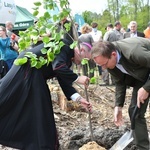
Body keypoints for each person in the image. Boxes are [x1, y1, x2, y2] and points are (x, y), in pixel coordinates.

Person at [0, 39, 92, 150]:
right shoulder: (64, 46)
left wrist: (78, 98)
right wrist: (77, 78)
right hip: (27, 70)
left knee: (39, 111)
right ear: (81, 50)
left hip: (35, 76)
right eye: (85, 59)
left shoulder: (67, 56)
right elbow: (58, 66)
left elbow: (62, 77)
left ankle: (42, 145)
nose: (83, 62)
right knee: (5, 97)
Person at [91, 37, 150, 150]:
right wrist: (118, 106)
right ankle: (143, 147)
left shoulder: (134, 52)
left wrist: (147, 88)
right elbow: (119, 82)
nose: (103, 68)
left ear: (113, 54)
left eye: (104, 64)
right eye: (100, 66)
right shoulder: (109, 61)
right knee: (134, 111)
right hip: (141, 75)